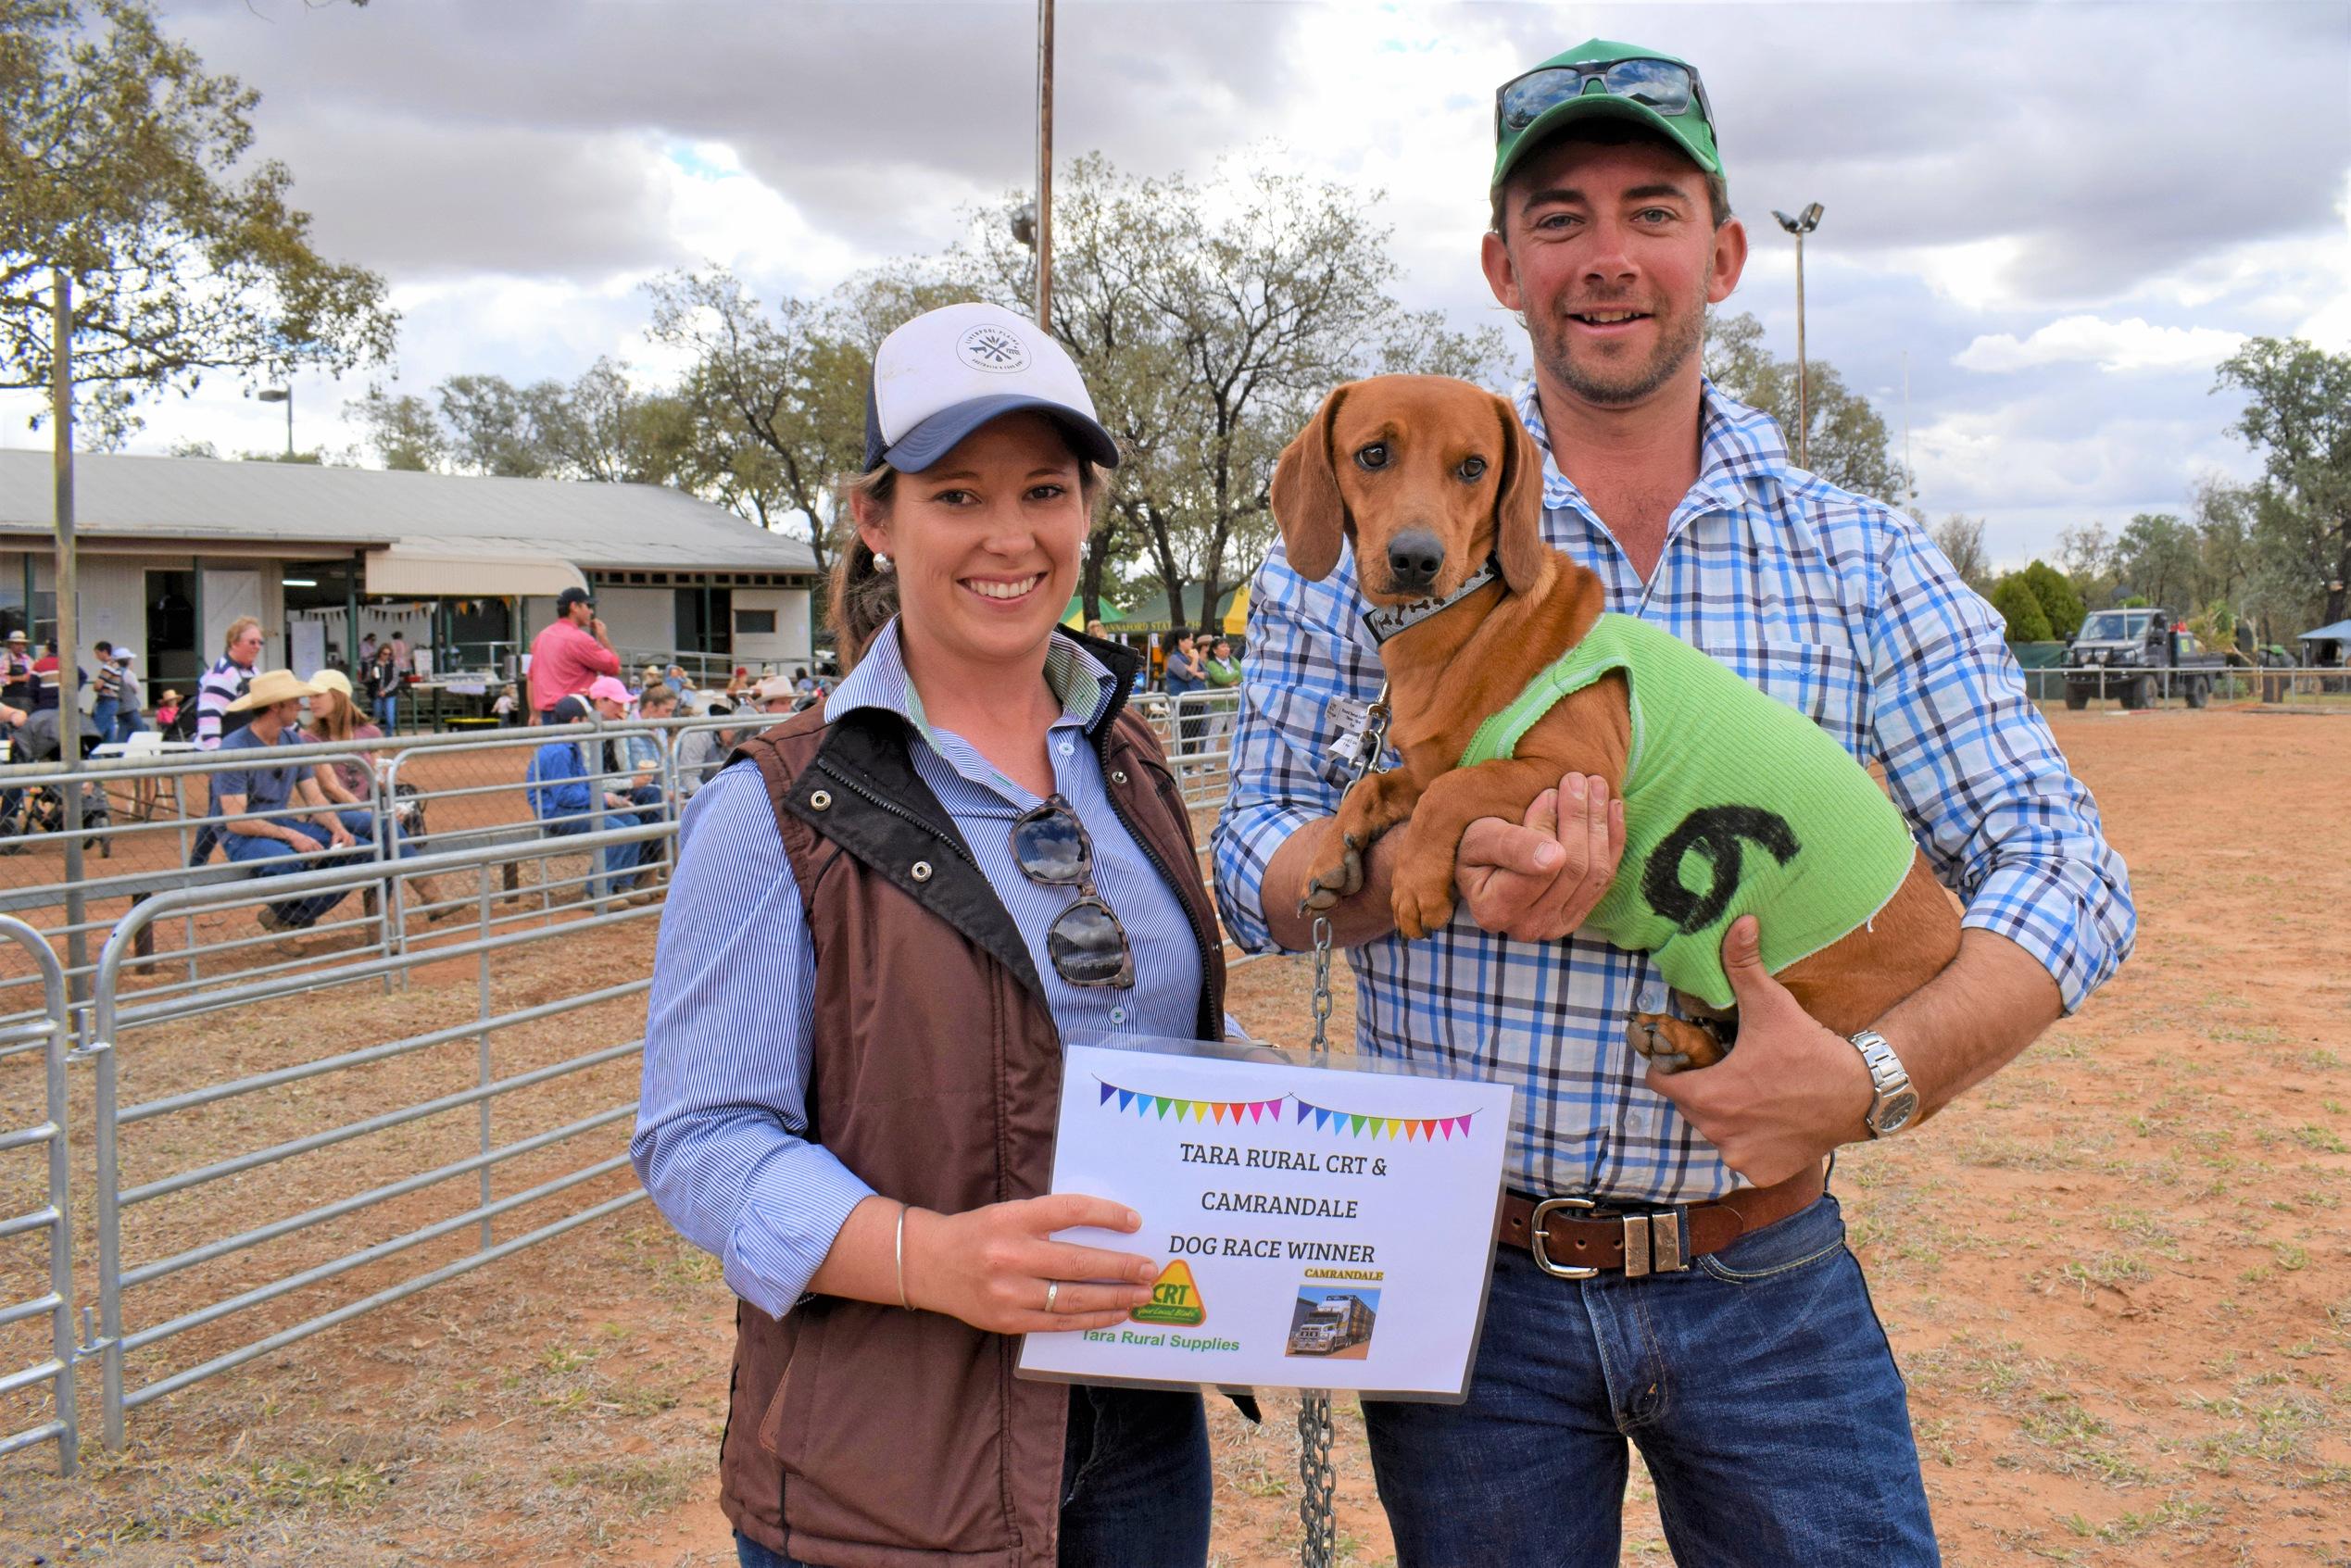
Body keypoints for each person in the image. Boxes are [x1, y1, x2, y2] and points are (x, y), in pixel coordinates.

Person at [1212, 39, 2136, 1568]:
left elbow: (2066, 872)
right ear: (1503, 264)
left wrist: (1870, 1078)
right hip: (1463, 1278)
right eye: (1558, 217)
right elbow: (1256, 865)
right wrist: (1409, 863)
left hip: (1762, 1266)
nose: (1605, 255)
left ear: (1718, 252)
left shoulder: (1859, 557)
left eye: (1649, 207)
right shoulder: (1362, 545)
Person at [632, 301, 1227, 1568]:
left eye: (1046, 491)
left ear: (1085, 510)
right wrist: (928, 1255)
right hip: (889, 1471)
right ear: (875, 519)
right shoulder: (777, 806)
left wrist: (1299, 1162)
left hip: (1135, 1433)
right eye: (956, 495)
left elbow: (1160, 1046)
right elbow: (698, 1138)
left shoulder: (1125, 760)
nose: (1009, 538)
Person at [210, 671, 371, 943]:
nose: (301, 705)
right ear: (276, 706)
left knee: (359, 852)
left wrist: (337, 828)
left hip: (279, 822)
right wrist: (294, 836)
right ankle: (292, 915)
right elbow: (236, 821)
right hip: (244, 833)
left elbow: (314, 796)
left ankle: (286, 917)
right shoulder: (234, 747)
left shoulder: (292, 740)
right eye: (294, 700)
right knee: (289, 864)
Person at [301, 668, 449, 915]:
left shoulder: (368, 733)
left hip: (367, 813)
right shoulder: (311, 738)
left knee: (387, 841)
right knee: (387, 830)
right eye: (311, 696)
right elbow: (329, 787)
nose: (311, 701)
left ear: (338, 696)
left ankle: (379, 924)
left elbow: (379, 778)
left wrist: (392, 801)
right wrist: (373, 812)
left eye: (318, 695)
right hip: (332, 813)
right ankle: (430, 896)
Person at [524, 684, 647, 901]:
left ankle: (622, 883)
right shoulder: (558, 750)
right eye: (585, 720)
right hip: (557, 813)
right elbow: (563, 796)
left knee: (632, 823)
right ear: (575, 722)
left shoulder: (569, 746)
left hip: (575, 807)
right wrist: (603, 798)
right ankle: (597, 892)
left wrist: (612, 800)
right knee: (615, 831)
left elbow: (580, 788)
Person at [526, 586, 622, 721]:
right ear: (574, 607)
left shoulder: (542, 636)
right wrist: (603, 638)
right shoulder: (580, 639)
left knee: (553, 743)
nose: (591, 611)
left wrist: (534, 714)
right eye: (588, 606)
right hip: (574, 715)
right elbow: (615, 667)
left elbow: (531, 678)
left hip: (547, 714)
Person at [195, 616, 264, 751]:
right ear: (234, 643)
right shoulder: (224, 675)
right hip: (225, 756)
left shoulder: (255, 672)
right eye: (252, 642)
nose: (257, 647)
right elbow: (209, 718)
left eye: (260, 642)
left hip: (244, 751)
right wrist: (217, 757)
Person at [1201, 634, 1240, 753]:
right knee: (1214, 733)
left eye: (1227, 646)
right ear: (1214, 650)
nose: (1227, 649)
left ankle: (1231, 759)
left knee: (1233, 734)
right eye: (1223, 646)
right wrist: (1235, 674)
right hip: (1219, 704)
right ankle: (1209, 764)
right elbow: (1221, 678)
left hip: (1234, 703)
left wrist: (1233, 680)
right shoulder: (1211, 664)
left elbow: (1243, 674)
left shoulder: (1232, 660)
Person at [110, 647, 145, 742]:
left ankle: (119, 751)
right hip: (130, 706)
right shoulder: (128, 673)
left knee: (123, 730)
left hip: (119, 707)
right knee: (140, 729)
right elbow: (137, 688)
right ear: (127, 661)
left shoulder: (113, 673)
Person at [88, 641, 120, 742]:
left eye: (97, 653)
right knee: (109, 731)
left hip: (106, 701)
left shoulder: (108, 665)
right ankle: (110, 753)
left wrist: (95, 687)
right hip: (113, 701)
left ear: (104, 652)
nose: (96, 656)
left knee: (97, 730)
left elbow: (98, 685)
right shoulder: (115, 664)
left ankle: (94, 755)